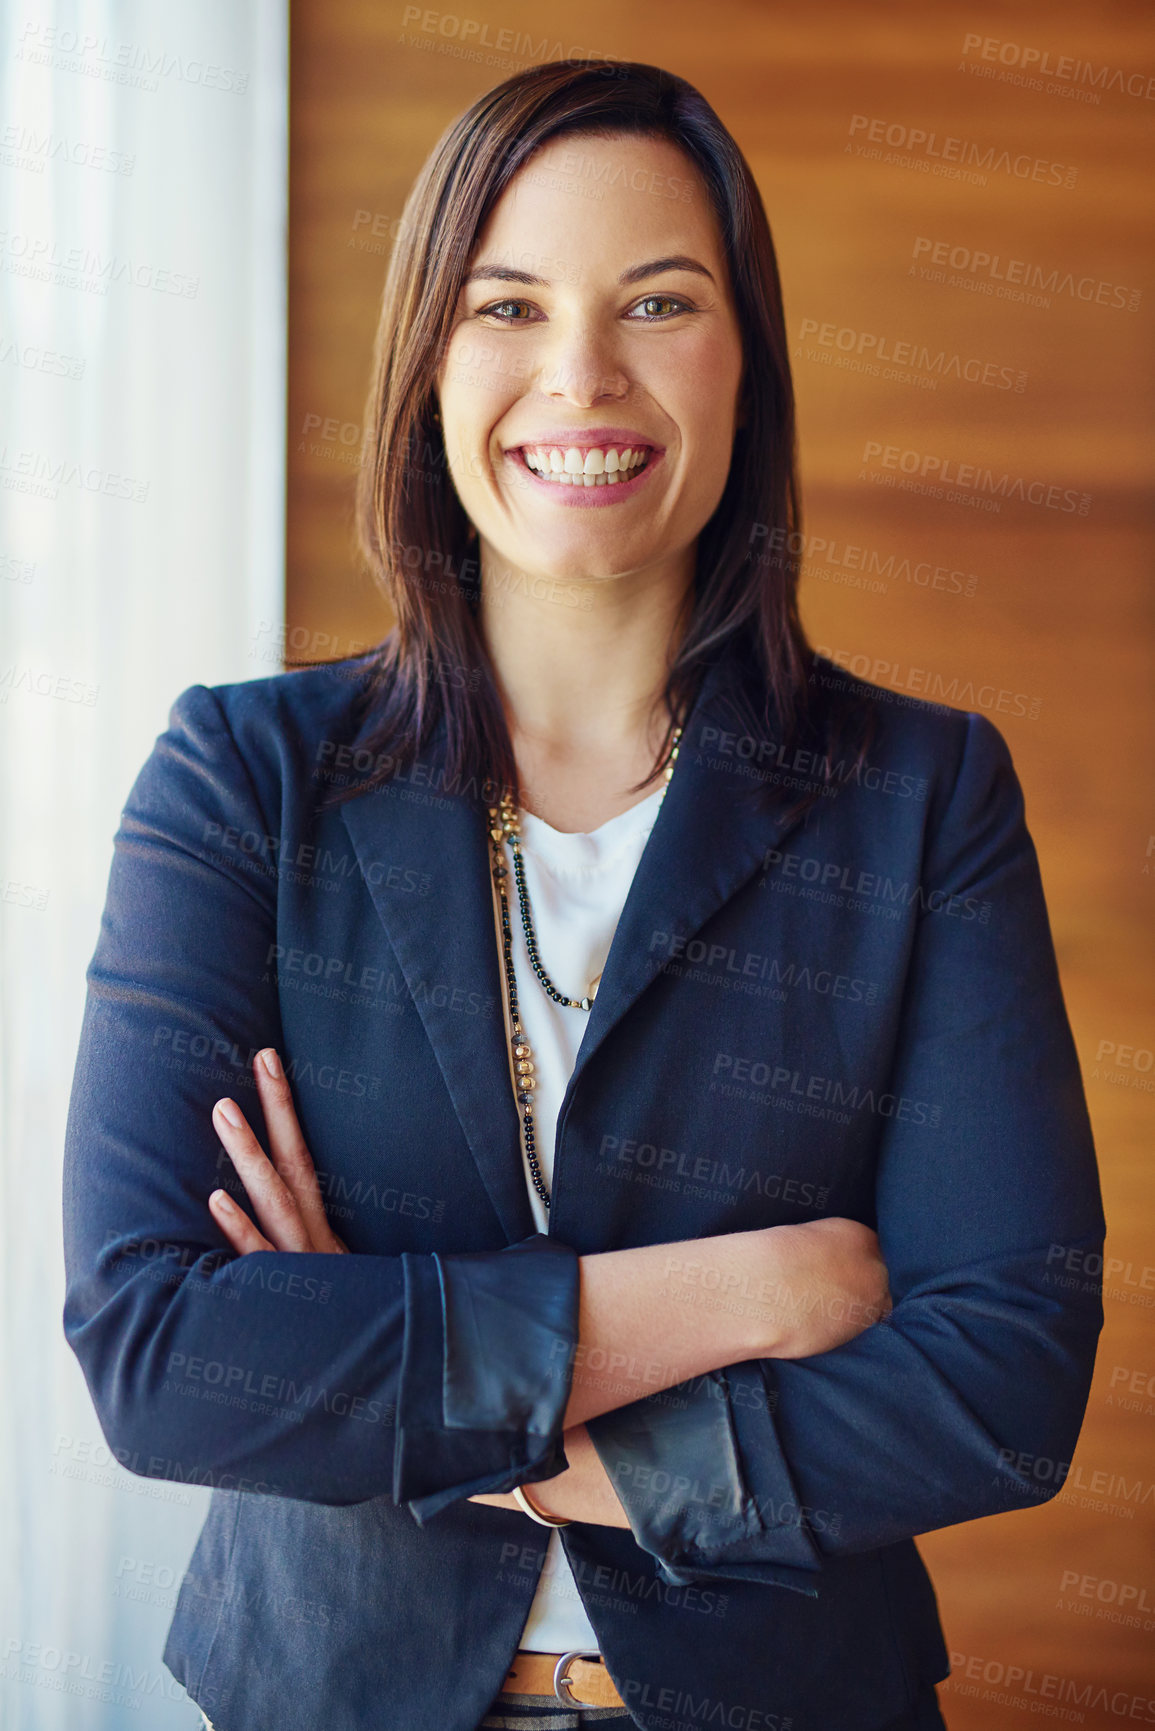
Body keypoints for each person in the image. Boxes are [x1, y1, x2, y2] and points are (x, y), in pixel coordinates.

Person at [62, 59, 1105, 1731]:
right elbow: (161, 1354)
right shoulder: (242, 781)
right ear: (428, 363)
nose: (581, 376)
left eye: (658, 303)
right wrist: (747, 1298)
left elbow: (1001, 1383)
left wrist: (414, 1392)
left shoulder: (923, 796)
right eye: (509, 306)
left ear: (746, 362)